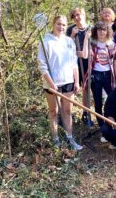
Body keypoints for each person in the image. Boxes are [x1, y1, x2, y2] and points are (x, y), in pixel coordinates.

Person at [37, 15, 82, 150]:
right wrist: (51, 84)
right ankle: (56, 140)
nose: (61, 27)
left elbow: (74, 63)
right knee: (53, 111)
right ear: (53, 24)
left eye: (63, 25)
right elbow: (42, 65)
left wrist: (76, 81)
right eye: (58, 24)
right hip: (52, 84)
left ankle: (69, 138)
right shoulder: (45, 42)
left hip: (68, 81)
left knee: (67, 111)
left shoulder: (69, 41)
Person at [82, 21, 116, 142]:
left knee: (113, 100)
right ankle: (103, 130)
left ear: (107, 32)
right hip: (96, 75)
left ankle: (114, 125)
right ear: (95, 32)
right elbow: (85, 56)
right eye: (99, 30)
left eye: (104, 30)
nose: (101, 33)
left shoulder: (112, 45)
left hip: (109, 75)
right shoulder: (92, 43)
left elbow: (114, 61)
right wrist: (86, 39)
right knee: (98, 103)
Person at [66, 7, 92, 126]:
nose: (77, 17)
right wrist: (72, 35)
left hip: (89, 62)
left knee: (87, 88)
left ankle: (86, 113)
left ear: (83, 14)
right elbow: (65, 46)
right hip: (74, 63)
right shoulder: (71, 29)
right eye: (74, 16)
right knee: (73, 87)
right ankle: (67, 114)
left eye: (78, 14)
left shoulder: (91, 29)